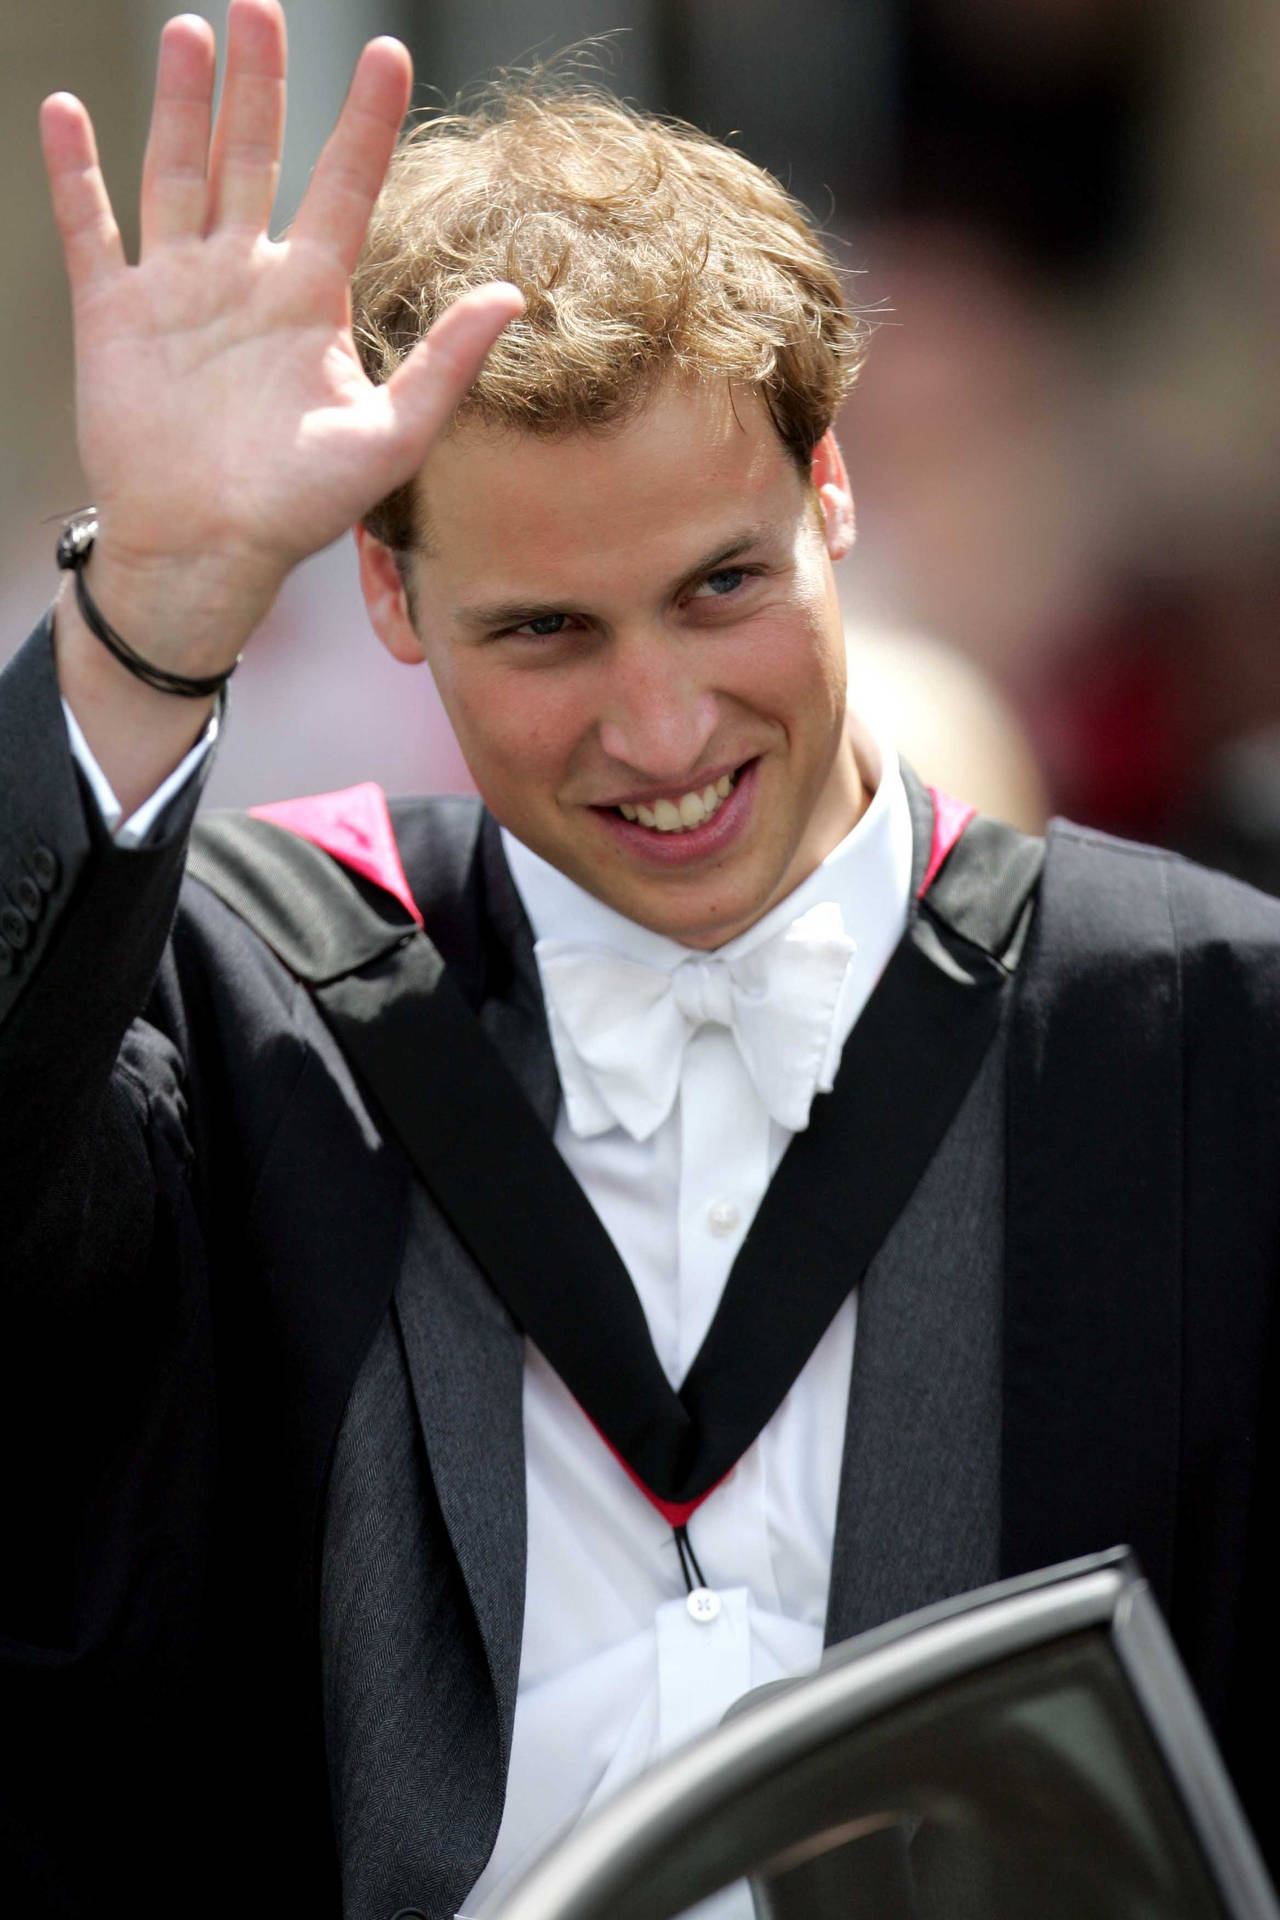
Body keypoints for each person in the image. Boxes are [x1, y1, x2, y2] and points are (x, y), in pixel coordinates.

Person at [2, 4, 1277, 1916]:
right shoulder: (254, 1014)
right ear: (387, 593)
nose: (663, 732)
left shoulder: (1205, 1034)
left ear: (833, 495)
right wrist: (158, 606)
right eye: (545, 634)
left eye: (723, 585)